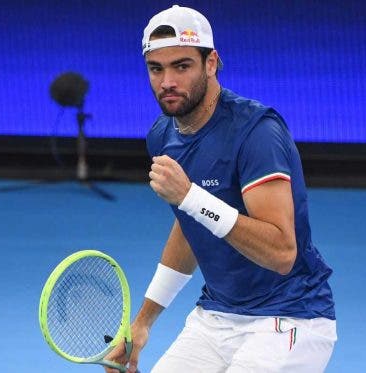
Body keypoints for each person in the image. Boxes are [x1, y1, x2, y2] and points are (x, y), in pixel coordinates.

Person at [106, 5, 336, 373]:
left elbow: (282, 252)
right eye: (156, 68)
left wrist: (190, 197)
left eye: (182, 66)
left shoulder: (257, 133)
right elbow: (191, 228)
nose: (167, 81)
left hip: (291, 318)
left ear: (211, 63)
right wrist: (143, 322)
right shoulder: (162, 136)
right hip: (216, 317)